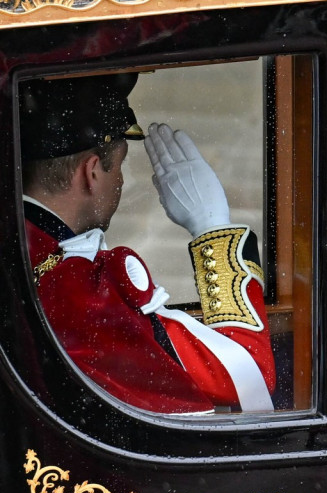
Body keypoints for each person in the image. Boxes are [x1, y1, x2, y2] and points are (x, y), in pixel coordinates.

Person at [21, 73, 276, 414]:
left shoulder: (27, 249)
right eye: (121, 165)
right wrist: (212, 229)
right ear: (92, 172)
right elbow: (248, 377)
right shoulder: (88, 291)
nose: (122, 181)